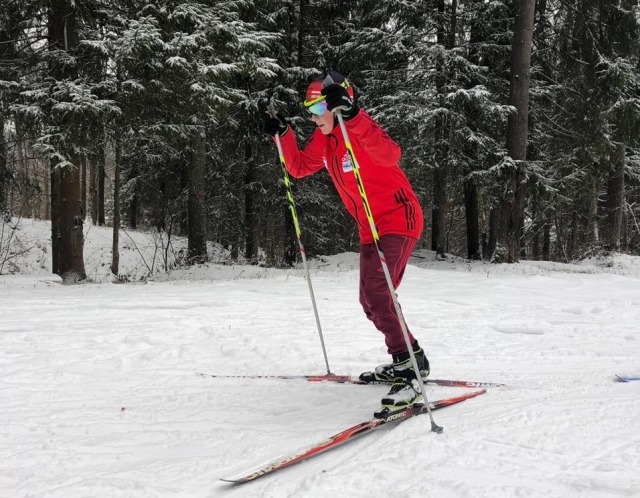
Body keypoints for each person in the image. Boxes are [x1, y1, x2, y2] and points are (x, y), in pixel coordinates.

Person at [264, 71, 428, 414]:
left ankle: (409, 371)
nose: (312, 115)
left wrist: (354, 117)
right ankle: (413, 358)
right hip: (370, 228)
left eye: (317, 107)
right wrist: (284, 135)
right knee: (370, 300)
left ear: (337, 104)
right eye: (308, 108)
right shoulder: (325, 142)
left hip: (399, 218)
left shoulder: (358, 131)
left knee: (380, 292)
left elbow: (390, 154)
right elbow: (296, 167)